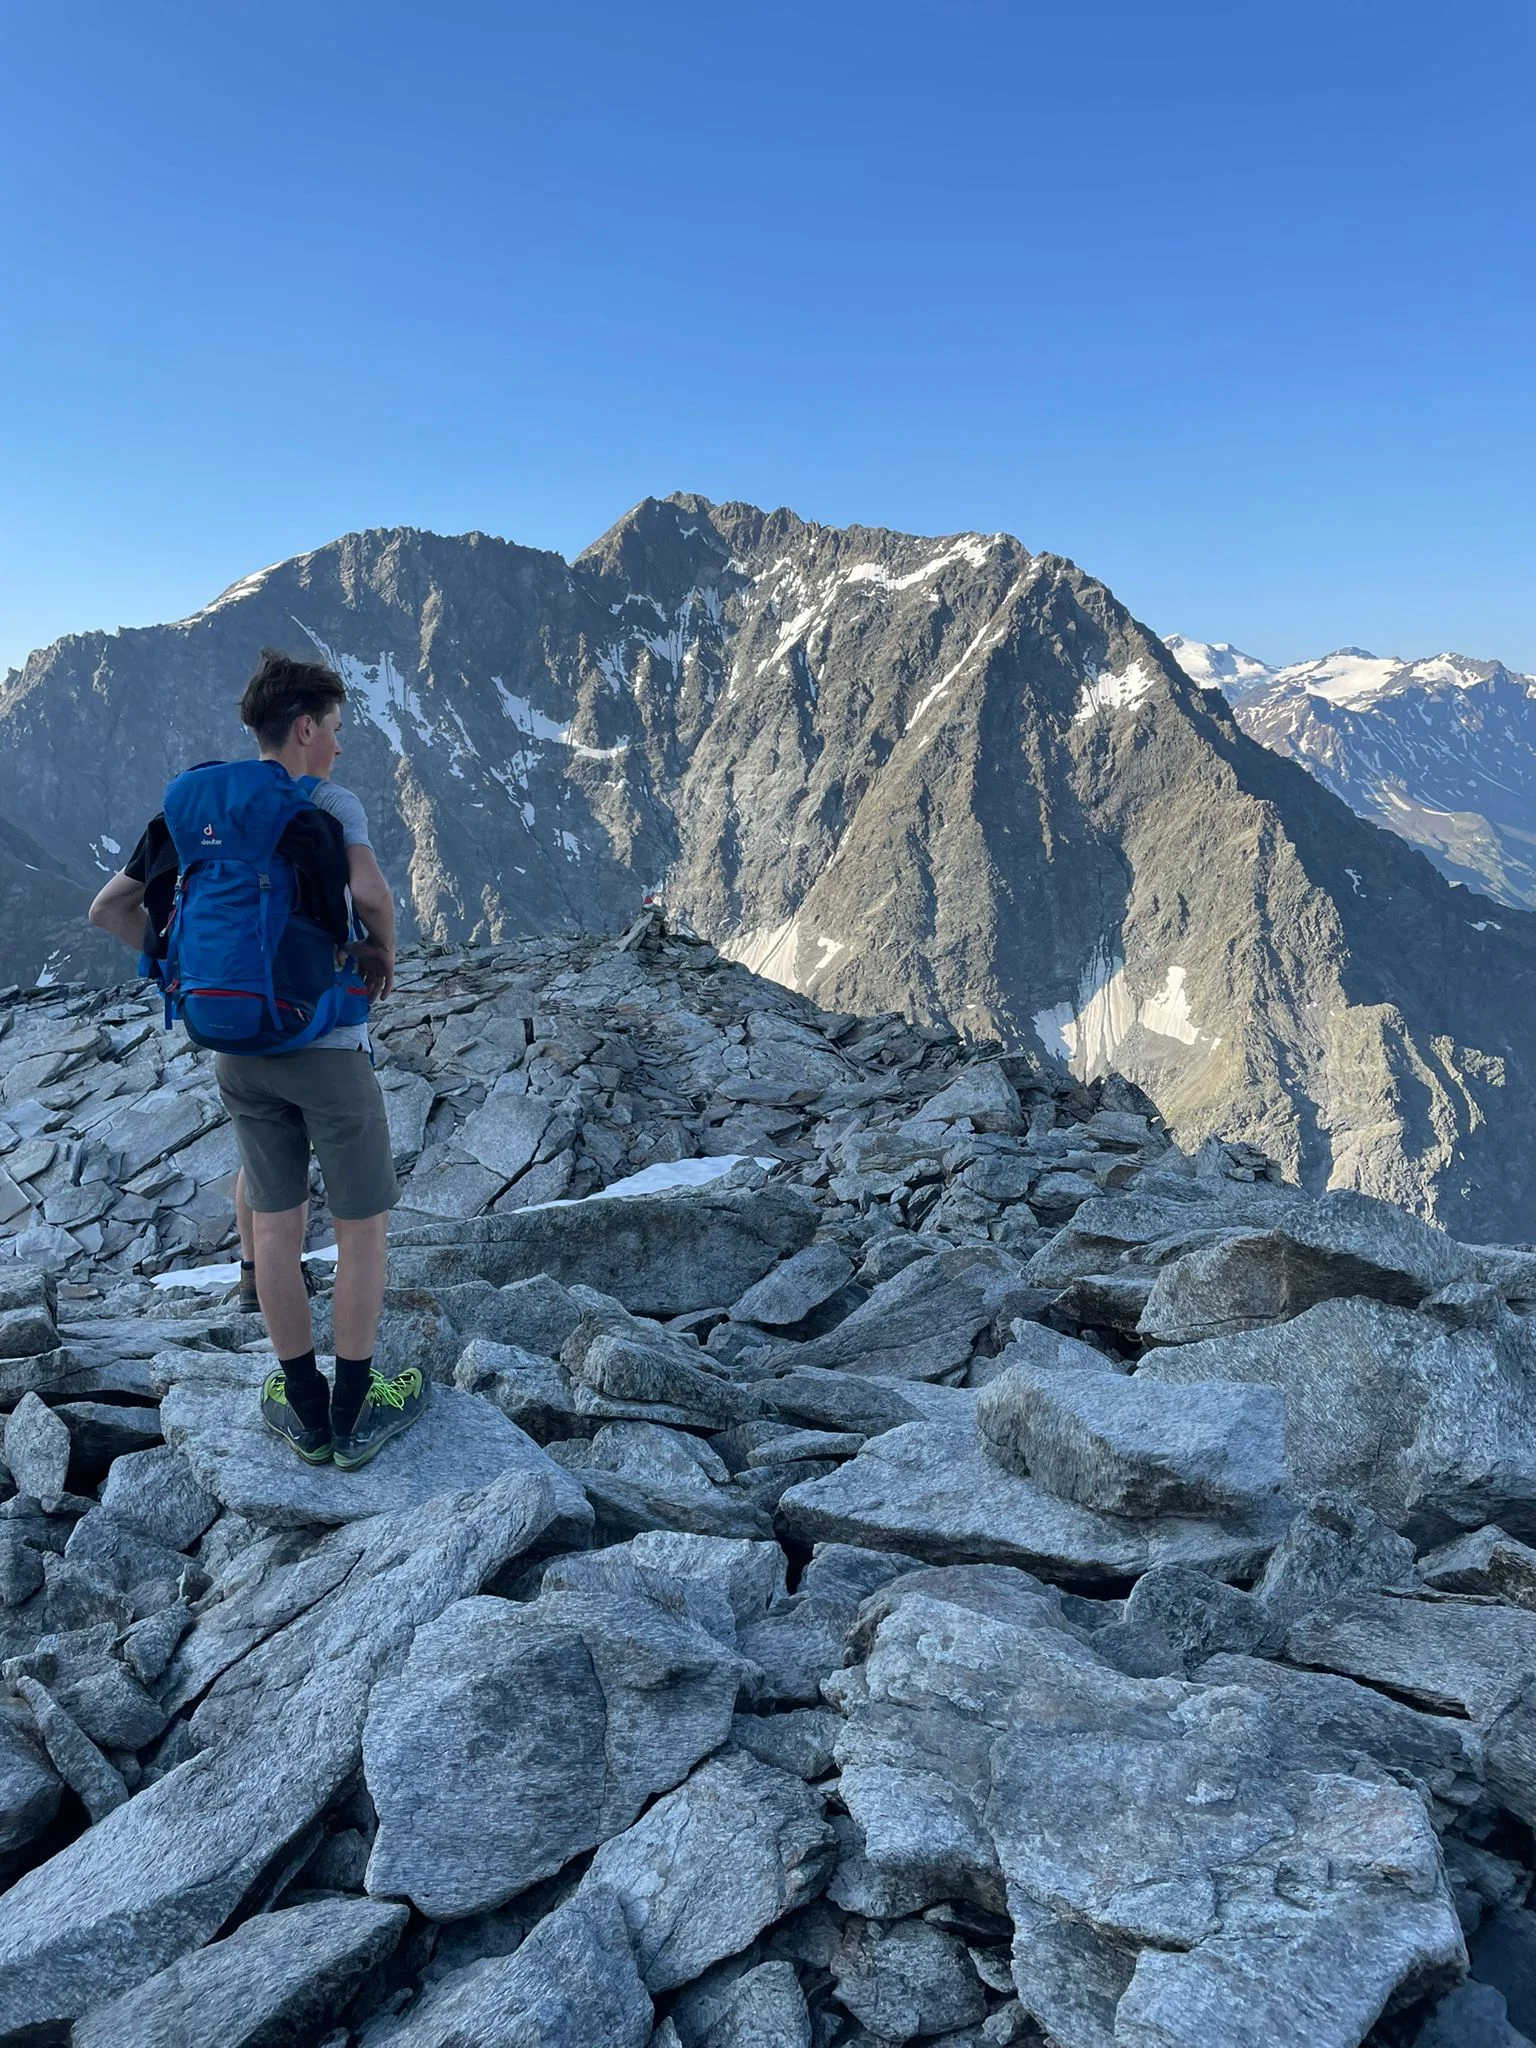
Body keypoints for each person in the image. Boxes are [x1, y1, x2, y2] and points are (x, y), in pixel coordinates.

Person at [88, 648, 425, 1471]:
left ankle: (302, 1409)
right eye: (334, 728)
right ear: (304, 728)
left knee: (274, 1225)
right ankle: (357, 1410)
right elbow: (371, 894)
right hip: (326, 1047)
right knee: (362, 1229)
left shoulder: (194, 807)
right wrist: (381, 952)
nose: (339, 745)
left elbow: (109, 909)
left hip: (235, 1049)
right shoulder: (328, 801)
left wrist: (175, 969)